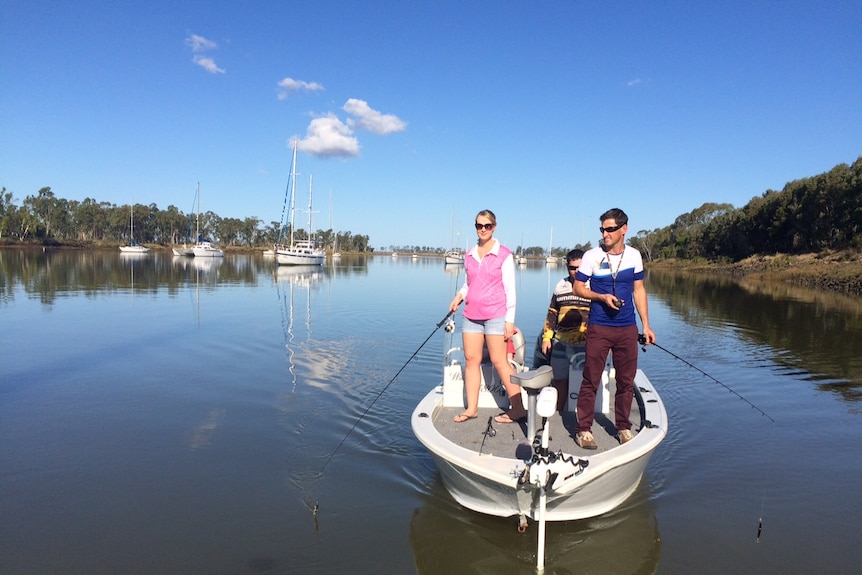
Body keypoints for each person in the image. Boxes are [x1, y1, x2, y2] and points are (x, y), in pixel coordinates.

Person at [572, 208, 655, 449]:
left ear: (623, 229)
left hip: (627, 328)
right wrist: (600, 296)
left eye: (609, 229)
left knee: (626, 381)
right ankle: (584, 430)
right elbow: (578, 288)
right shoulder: (591, 256)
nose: (605, 234)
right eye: (602, 229)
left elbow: (638, 290)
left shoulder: (635, 256)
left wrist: (646, 326)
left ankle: (623, 427)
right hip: (599, 326)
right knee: (591, 379)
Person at [448, 209, 526, 424]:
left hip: (496, 315)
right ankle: (471, 409)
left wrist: (509, 320)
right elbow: (468, 283)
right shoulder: (470, 254)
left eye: (487, 226)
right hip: (471, 315)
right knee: (471, 360)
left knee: (500, 361)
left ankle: (518, 408)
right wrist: (459, 297)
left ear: (494, 227)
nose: (483, 229)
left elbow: (511, 290)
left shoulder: (504, 254)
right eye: (479, 226)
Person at [540, 249, 590, 413]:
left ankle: (582, 414)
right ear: (567, 267)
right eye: (572, 268)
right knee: (559, 380)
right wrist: (547, 337)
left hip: (585, 344)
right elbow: (552, 312)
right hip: (561, 342)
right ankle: (558, 411)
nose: (576, 271)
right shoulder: (560, 286)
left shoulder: (594, 286)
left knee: (584, 382)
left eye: (579, 268)